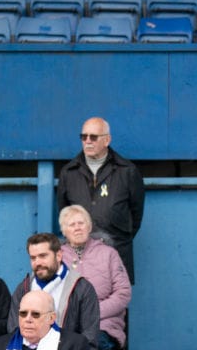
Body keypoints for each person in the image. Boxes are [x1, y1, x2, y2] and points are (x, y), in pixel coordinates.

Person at [57, 116, 145, 284]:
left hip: (117, 251)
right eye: (84, 137)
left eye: (93, 137)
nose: (88, 141)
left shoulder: (127, 171)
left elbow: (136, 215)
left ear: (107, 140)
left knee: (116, 297)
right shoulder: (69, 172)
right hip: (78, 258)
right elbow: (64, 213)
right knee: (80, 298)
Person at [59, 205, 131, 350]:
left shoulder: (109, 254)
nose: (77, 228)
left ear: (89, 226)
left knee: (96, 342)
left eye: (81, 223)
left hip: (104, 320)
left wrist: (94, 313)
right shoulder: (58, 257)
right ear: (64, 231)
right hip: (67, 320)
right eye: (72, 224)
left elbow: (123, 292)